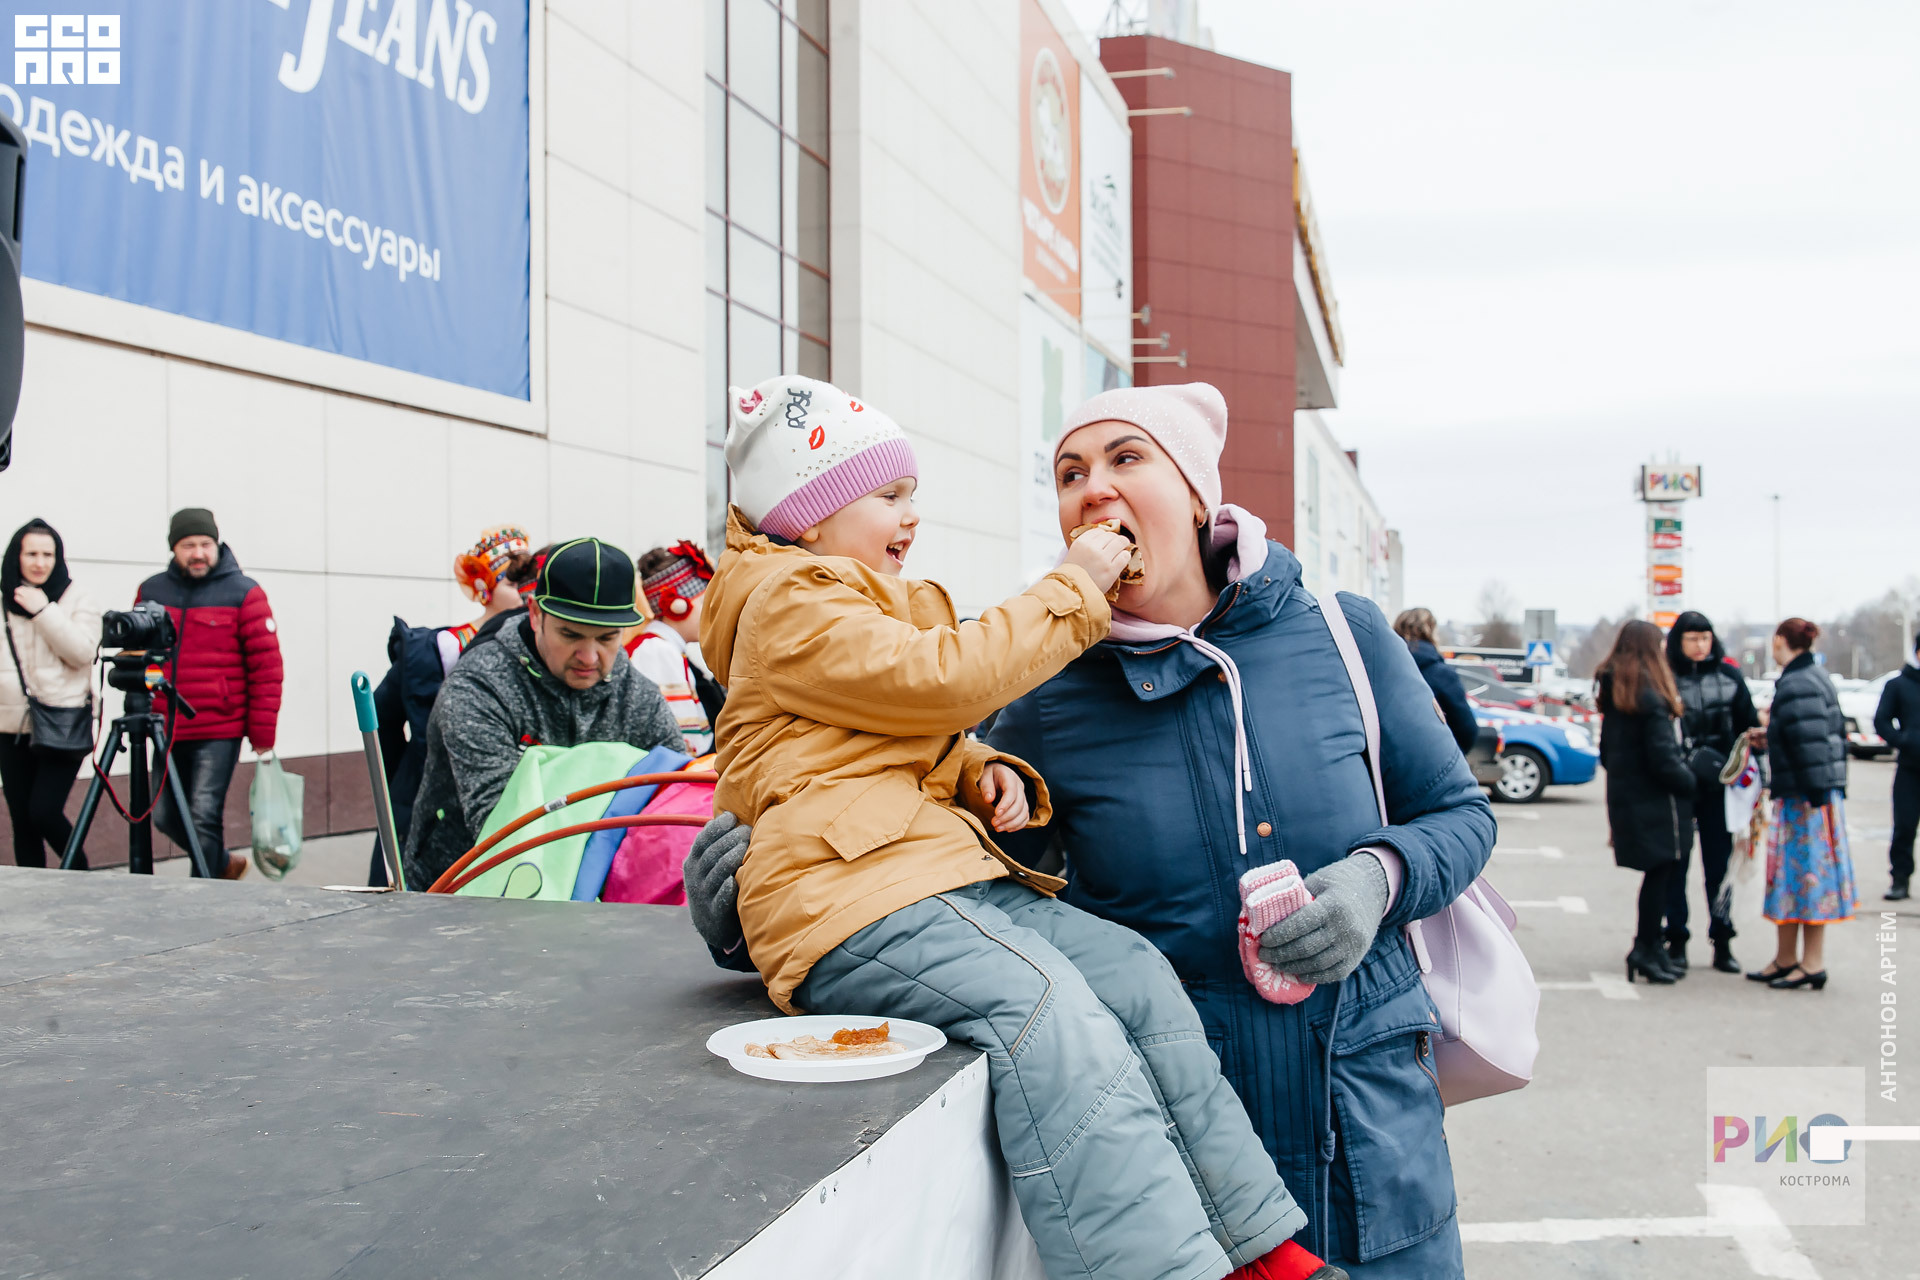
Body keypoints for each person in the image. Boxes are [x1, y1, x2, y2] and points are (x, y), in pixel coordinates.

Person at [689, 380, 1494, 1279]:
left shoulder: (1343, 635)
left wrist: (1378, 880)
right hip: (1160, 1138)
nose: (1093, 487)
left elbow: (1460, 815)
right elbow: (918, 898)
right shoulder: (1044, 685)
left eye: (1126, 458)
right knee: (1043, 997)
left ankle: (1269, 1255)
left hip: (1370, 1134)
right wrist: (740, 912)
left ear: (1196, 492)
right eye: (1070, 473)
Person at [402, 537, 690, 891]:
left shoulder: (637, 694)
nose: (589, 657)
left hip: (596, 890)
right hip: (461, 890)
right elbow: (502, 826)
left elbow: (676, 794)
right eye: (570, 634)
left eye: (606, 639)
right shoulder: (478, 688)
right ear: (536, 614)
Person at [136, 509, 283, 879]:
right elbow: (139, 656)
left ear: (217, 545)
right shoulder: (152, 592)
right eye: (188, 545)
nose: (198, 553)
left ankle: (201, 899)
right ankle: (221, 864)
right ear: (174, 548)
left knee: (203, 816)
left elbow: (266, 668)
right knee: (164, 816)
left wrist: (262, 735)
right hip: (167, 727)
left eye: (205, 544)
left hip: (219, 728)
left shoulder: (244, 593)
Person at [1748, 618, 1853, 990]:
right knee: (1791, 881)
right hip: (1812, 794)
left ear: (1780, 641)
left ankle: (1811, 963)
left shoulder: (1798, 682)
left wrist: (1814, 794)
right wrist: (1770, 737)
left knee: (1808, 881)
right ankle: (1786, 958)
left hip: (1807, 799)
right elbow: (1805, 735)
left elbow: (1811, 744)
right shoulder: (1811, 675)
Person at [1663, 610, 1761, 973]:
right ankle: (1676, 939)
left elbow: (1749, 727)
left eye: (1705, 637)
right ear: (1679, 641)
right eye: (1692, 638)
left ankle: (1722, 939)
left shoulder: (1729, 676)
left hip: (1721, 786)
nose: (1700, 645)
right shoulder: (1665, 677)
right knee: (1676, 865)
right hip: (1678, 785)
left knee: (1720, 867)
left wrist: (1755, 775)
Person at [0, 519, 102, 869]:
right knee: (22, 820)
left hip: (63, 720)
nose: (40, 563)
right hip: (11, 725)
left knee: (43, 811)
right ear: (17, 556)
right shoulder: (4, 600)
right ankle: (35, 892)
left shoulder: (77, 598)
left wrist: (44, 610)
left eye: (48, 554)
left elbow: (82, 653)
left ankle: (81, 875)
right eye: (31, 554)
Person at [1597, 620, 1694, 985]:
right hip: (1658, 802)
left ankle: (1649, 948)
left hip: (1628, 798)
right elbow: (1664, 759)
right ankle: (1645, 948)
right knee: (1661, 875)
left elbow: (1607, 753)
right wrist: (1692, 781)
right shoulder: (1650, 695)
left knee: (1656, 875)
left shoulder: (1619, 692)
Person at [629, 540, 725, 754]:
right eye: (704, 603)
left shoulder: (661, 648)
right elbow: (684, 747)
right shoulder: (658, 652)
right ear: (677, 606)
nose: (713, 611)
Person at [443, 525, 534, 673]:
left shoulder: (536, 636)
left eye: (525, 583)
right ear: (485, 588)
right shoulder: (454, 642)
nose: (523, 592)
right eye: (512, 585)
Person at [1873, 633, 1920, 901]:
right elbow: (1881, 720)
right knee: (1904, 825)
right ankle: (1900, 880)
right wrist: (1904, 740)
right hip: (1910, 769)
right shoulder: (1899, 685)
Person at [1393, 607, 1477, 753]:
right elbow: (1467, 730)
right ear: (1431, 631)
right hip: (1432, 758)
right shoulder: (1442, 675)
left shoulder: (1379, 670)